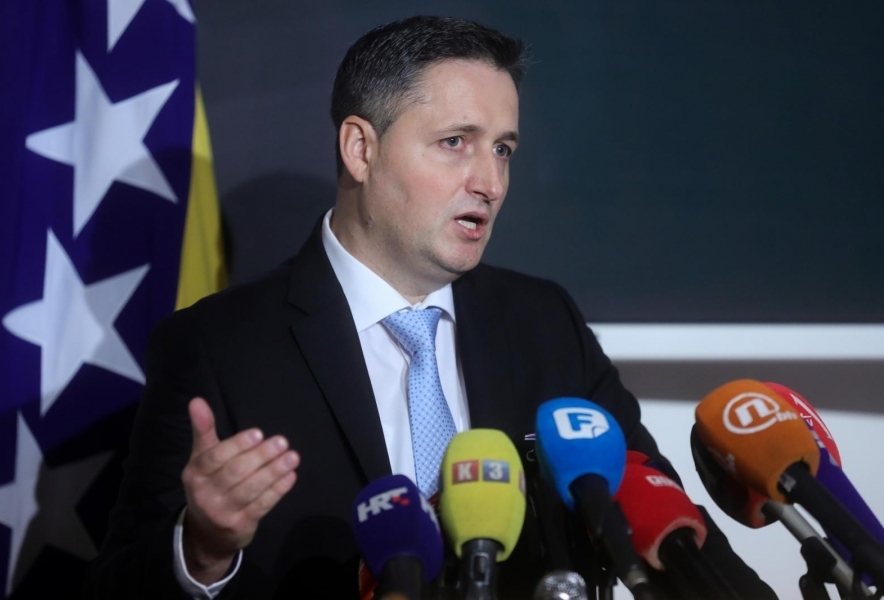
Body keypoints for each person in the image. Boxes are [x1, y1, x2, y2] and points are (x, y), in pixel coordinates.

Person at [85, 15, 776, 600]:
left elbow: (664, 520)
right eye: (456, 143)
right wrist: (202, 549)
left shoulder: (543, 324)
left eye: (503, 149)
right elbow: (120, 583)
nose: (491, 181)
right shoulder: (217, 346)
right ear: (361, 149)